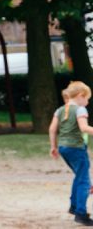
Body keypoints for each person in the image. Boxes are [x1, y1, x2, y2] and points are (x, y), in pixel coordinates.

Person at [50, 81, 93, 225]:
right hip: (76, 148)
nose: (87, 102)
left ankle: (74, 206)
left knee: (80, 177)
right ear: (81, 96)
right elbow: (84, 128)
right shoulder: (80, 109)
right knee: (84, 181)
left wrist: (53, 147)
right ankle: (81, 214)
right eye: (87, 99)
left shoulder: (60, 109)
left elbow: (52, 129)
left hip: (63, 148)